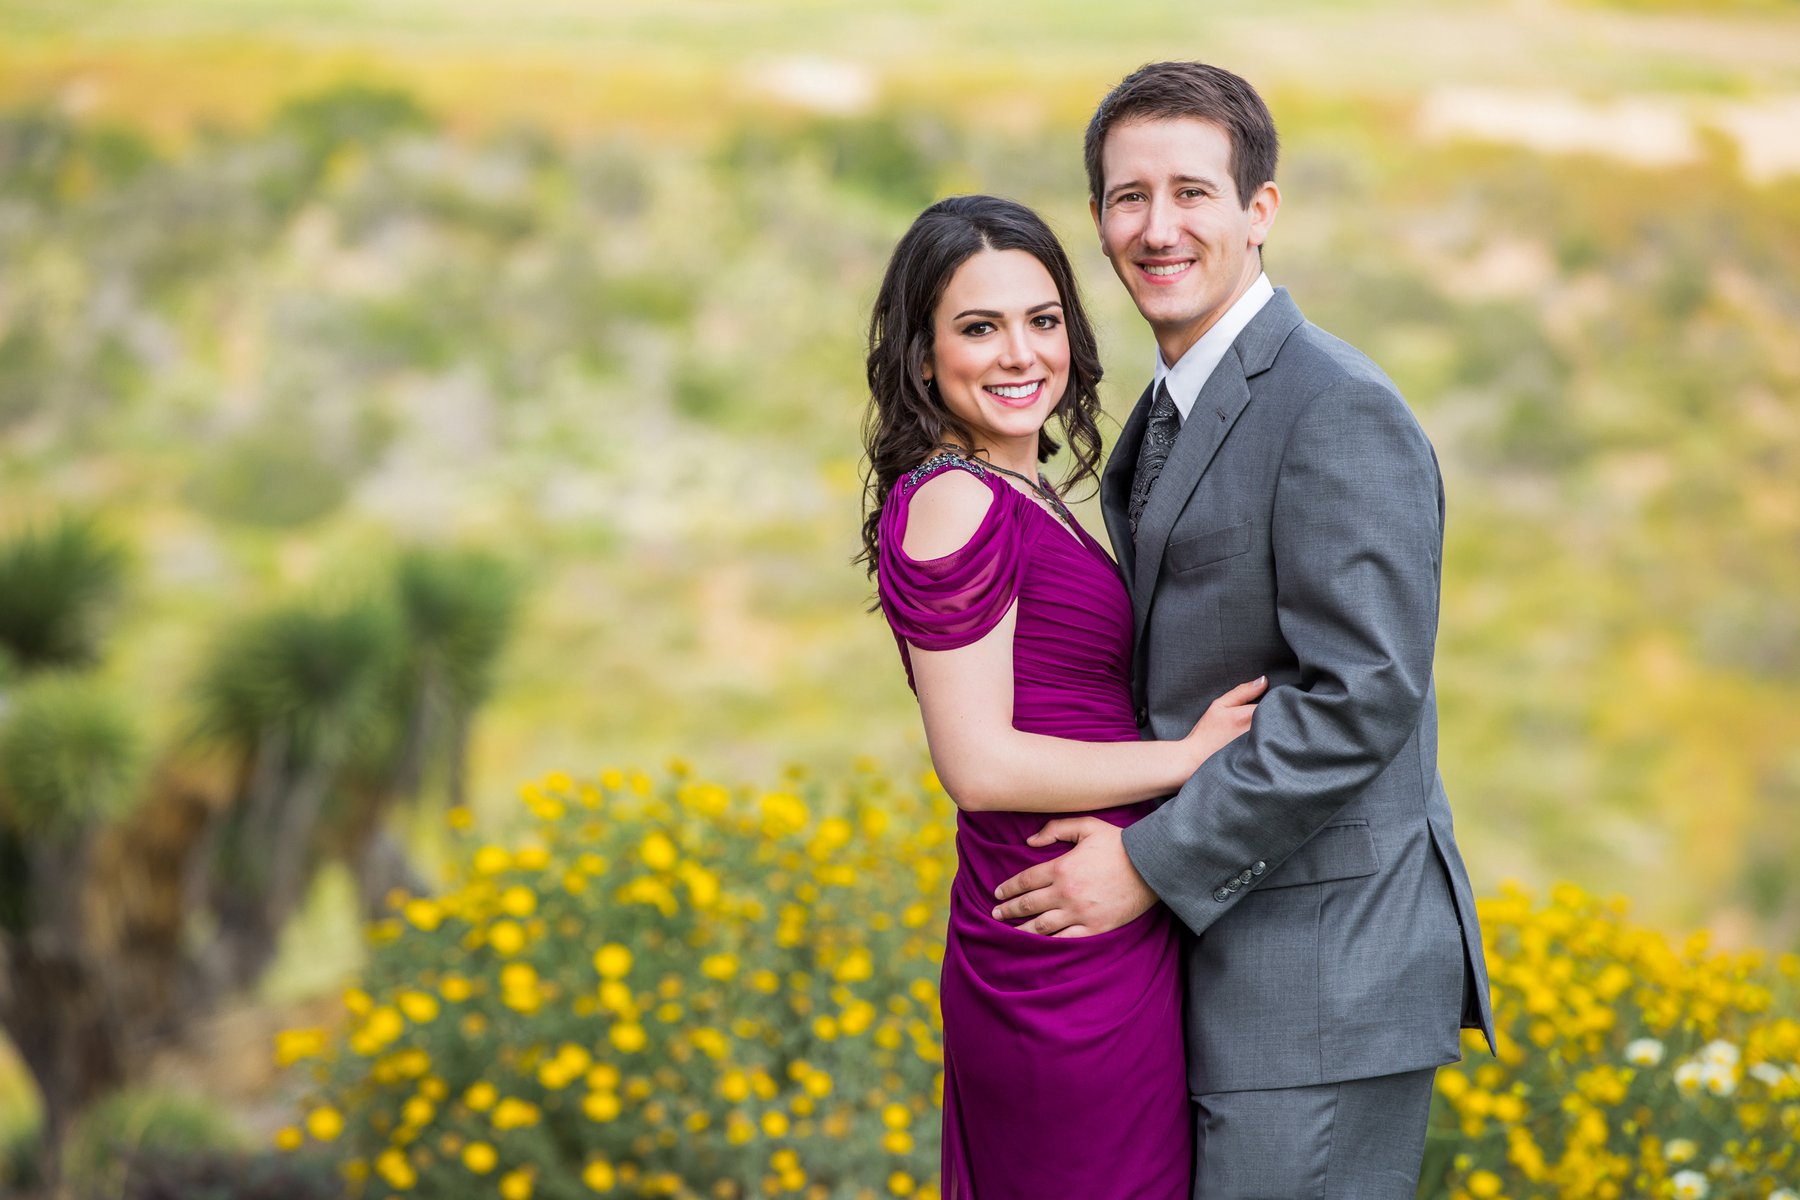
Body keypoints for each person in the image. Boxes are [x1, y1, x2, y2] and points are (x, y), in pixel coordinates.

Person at [988, 61, 1496, 1197]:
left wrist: (1149, 863)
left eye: (1192, 193)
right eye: (1130, 197)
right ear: (1097, 220)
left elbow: (1360, 696)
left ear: (1260, 210)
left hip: (1323, 980)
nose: (1157, 228)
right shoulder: (1167, 408)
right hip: (1225, 971)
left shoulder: (1334, 406)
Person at [860, 194, 1264, 1199]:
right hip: (1055, 951)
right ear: (922, 358)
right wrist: (1186, 758)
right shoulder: (957, 499)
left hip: (1102, 922)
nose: (1019, 354)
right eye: (978, 327)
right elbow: (978, 764)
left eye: (1041, 320)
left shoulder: (1022, 491)